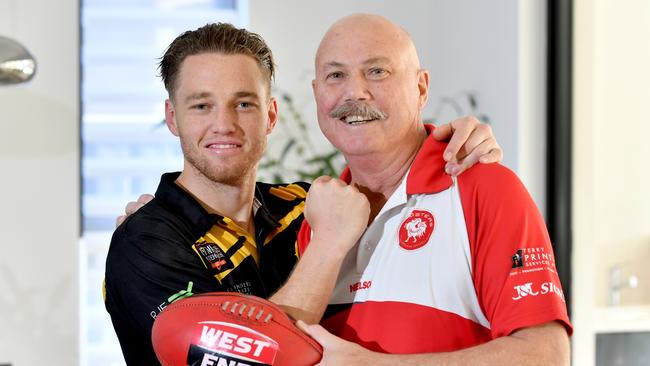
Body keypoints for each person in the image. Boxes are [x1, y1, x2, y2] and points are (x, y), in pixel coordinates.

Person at [103, 23, 502, 365]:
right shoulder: (144, 242)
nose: (223, 124)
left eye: (243, 103)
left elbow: (396, 178)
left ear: (271, 115)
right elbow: (259, 357)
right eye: (201, 106)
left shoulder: (306, 203)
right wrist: (328, 243)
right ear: (173, 118)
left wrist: (453, 144)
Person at [294, 14, 572, 365]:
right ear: (317, 94)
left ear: (421, 88)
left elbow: (545, 355)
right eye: (336, 75)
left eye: (377, 71)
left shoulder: (484, 188)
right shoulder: (320, 219)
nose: (355, 92)